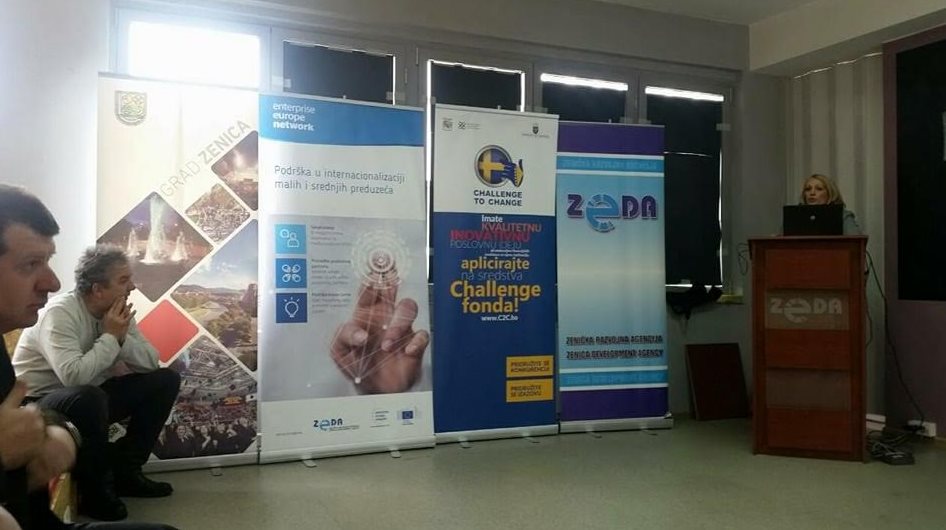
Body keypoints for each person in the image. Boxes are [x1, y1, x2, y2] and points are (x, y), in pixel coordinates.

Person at [0, 184, 177, 530]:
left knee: (164, 379)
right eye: (124, 281)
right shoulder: (61, 313)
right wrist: (110, 337)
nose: (132, 288)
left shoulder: (119, 312)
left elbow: (149, 361)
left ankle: (127, 469)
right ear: (98, 289)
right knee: (88, 395)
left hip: (87, 395)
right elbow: (73, 377)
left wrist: (119, 336)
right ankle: (98, 492)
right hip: (44, 398)